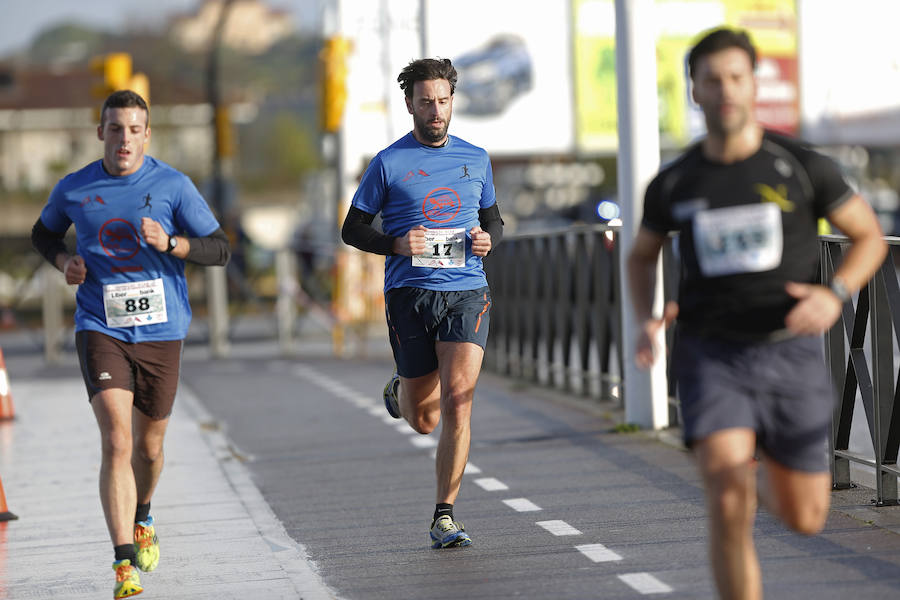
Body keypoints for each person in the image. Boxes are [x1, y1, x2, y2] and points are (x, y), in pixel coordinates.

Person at [626, 27, 886, 600]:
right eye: (711, 81)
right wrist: (645, 316)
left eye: (736, 78)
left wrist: (834, 294)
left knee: (806, 517)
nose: (725, 92)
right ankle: (741, 471)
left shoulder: (801, 164)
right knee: (725, 495)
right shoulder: (675, 182)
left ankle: (766, 462)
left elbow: (869, 239)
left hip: (788, 351)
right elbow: (642, 254)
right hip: (710, 352)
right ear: (693, 89)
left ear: (753, 83)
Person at [31, 90, 230, 598]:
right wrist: (64, 264)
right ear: (101, 132)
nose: (123, 139)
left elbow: (221, 248)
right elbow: (43, 234)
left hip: (163, 331)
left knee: (149, 446)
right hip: (101, 325)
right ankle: (123, 562)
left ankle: (143, 514)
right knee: (117, 440)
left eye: (133, 129)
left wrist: (171, 243)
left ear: (147, 134)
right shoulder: (75, 189)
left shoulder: (172, 185)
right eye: (114, 129)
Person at [341, 58, 503, 549]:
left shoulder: (476, 158)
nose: (436, 110)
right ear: (410, 104)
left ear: (453, 100)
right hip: (409, 294)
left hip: (466, 290)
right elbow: (352, 229)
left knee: (459, 400)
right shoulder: (387, 163)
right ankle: (402, 391)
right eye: (426, 101)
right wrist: (395, 244)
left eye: (443, 100)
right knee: (425, 417)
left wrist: (486, 240)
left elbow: (495, 221)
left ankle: (444, 515)